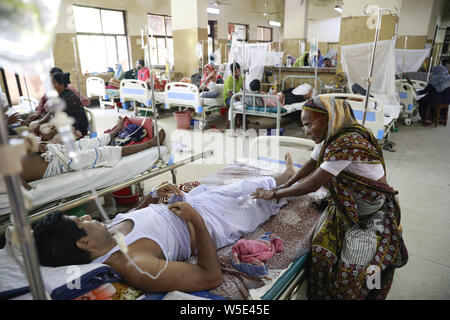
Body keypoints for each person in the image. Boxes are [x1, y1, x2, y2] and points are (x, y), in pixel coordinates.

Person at [32, 155, 297, 293]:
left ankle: (281, 177)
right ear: (84, 243)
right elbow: (210, 276)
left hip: (188, 205)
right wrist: (194, 218)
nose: (88, 216)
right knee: (254, 200)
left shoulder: (106, 234)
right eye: (81, 220)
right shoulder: (134, 265)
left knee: (235, 187)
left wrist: (150, 197)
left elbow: (134, 217)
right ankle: (289, 186)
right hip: (211, 222)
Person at [251, 96, 408, 300]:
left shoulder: (348, 143)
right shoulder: (331, 138)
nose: (305, 131)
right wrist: (287, 184)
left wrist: (275, 194)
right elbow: (310, 164)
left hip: (370, 215)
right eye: (303, 126)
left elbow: (313, 183)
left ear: (329, 118)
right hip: (346, 207)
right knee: (321, 251)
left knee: (356, 272)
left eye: (309, 125)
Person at [20, 117, 166, 183]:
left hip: (51, 152)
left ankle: (113, 133)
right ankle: (151, 144)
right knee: (104, 152)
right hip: (56, 165)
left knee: (85, 143)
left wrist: (33, 146)